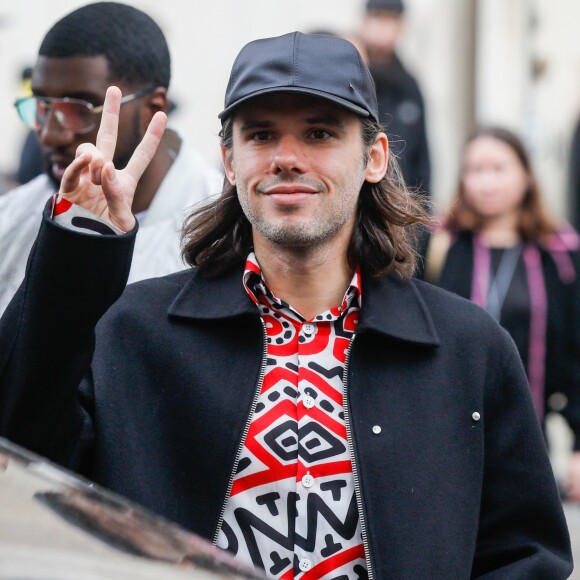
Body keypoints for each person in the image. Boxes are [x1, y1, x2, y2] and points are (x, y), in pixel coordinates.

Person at [0, 32, 572, 579]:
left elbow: (526, 554)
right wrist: (77, 249)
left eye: (320, 134)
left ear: (373, 158)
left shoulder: (467, 349)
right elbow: (24, 449)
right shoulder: (132, 332)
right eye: (261, 136)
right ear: (230, 161)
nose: (286, 158)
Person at [0, 2, 221, 316]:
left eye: (80, 108)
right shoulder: (13, 217)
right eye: (43, 106)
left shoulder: (223, 232)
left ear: (152, 109)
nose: (51, 135)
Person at [419, 127, 580, 499]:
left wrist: (577, 443)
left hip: (526, 435)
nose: (486, 182)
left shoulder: (559, 253)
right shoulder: (438, 245)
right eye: (475, 170)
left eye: (498, 168)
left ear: (525, 174)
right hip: (445, 435)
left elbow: (575, 353)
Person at [359, 0, 431, 198]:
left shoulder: (409, 86)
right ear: (364, 22)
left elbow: (422, 159)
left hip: (397, 203)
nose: (383, 28)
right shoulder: (351, 76)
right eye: (378, 18)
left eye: (390, 20)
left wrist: (423, 222)